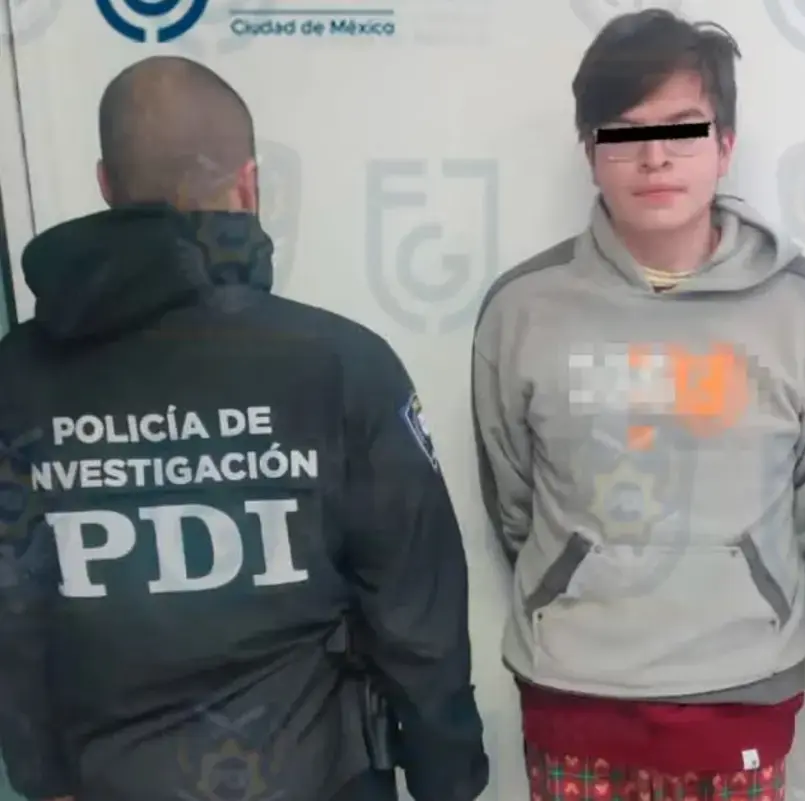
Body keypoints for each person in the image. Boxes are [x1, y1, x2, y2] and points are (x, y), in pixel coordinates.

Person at [0, 55, 488, 801]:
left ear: (106, 185)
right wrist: (446, 777)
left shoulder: (14, 379)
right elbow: (417, 616)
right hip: (319, 777)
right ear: (250, 185)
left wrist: (44, 780)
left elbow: (11, 614)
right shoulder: (341, 363)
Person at [471, 10, 805, 800]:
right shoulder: (522, 309)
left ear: (725, 144)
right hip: (575, 689)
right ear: (590, 152)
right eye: (623, 133)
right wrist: (579, 572)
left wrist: (747, 576)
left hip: (740, 683)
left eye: (682, 128)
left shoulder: (802, 306)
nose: (654, 157)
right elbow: (513, 500)